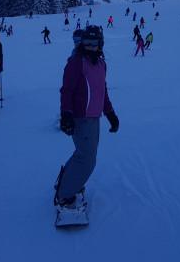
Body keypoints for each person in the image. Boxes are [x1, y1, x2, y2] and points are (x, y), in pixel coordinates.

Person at [53, 25, 119, 218]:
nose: (90, 46)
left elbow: (102, 91)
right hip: (80, 118)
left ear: (100, 43)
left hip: (94, 117)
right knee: (87, 160)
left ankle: (65, 183)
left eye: (94, 42)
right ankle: (64, 196)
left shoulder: (101, 64)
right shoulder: (76, 63)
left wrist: (110, 114)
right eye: (87, 42)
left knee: (82, 154)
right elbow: (67, 90)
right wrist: (66, 115)